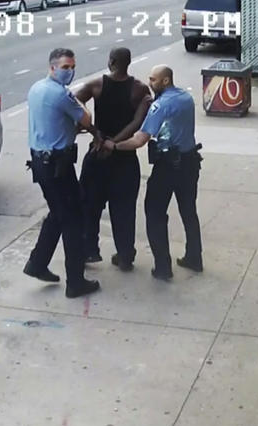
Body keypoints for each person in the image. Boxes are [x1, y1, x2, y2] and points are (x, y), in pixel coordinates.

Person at [101, 65, 203, 280]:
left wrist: (114, 145)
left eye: (153, 79)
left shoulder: (161, 105)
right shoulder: (185, 98)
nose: (150, 83)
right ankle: (195, 257)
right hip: (190, 163)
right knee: (188, 211)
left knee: (155, 213)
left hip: (167, 167)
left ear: (165, 81)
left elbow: (140, 139)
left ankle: (163, 267)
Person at [23, 47, 100, 298]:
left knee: (58, 214)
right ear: (52, 67)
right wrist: (75, 101)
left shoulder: (36, 88)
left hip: (41, 164)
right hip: (57, 167)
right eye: (65, 67)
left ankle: (37, 263)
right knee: (73, 221)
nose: (70, 71)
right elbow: (86, 119)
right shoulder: (60, 94)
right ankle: (76, 282)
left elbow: (53, 120)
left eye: (72, 67)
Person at [75, 48, 152, 271]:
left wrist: (95, 133)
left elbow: (74, 104)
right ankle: (126, 255)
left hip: (97, 154)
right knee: (124, 210)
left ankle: (90, 250)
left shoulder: (96, 85)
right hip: (125, 157)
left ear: (110, 62)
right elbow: (137, 123)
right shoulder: (139, 89)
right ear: (129, 63)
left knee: (90, 205)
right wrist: (115, 143)